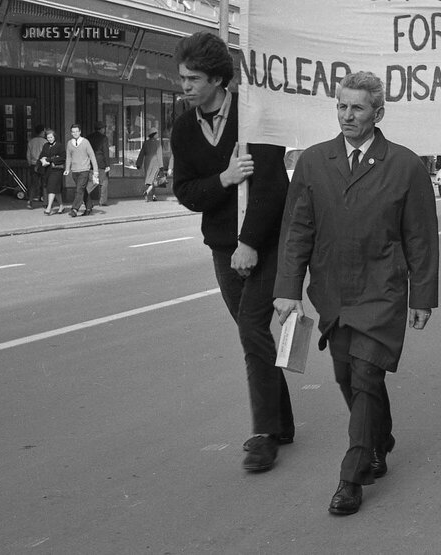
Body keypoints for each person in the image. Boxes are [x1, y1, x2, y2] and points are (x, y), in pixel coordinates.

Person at [274, 71, 439, 516]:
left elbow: (421, 238)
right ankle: (378, 440)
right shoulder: (313, 162)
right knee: (347, 376)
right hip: (332, 291)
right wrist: (288, 290)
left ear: (378, 113)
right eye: (342, 106)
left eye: (357, 108)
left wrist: (421, 297)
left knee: (367, 375)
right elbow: (297, 230)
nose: (348, 115)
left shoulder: (404, 166)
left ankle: (352, 476)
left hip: (382, 289)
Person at [170, 31, 294, 474]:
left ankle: (264, 434)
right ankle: (282, 421)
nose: (185, 85)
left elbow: (274, 188)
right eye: (182, 77)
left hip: (265, 240)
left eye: (194, 78)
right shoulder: (184, 129)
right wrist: (224, 179)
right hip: (223, 246)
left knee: (250, 327)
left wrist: (249, 242)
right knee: (254, 334)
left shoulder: (254, 118)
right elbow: (185, 191)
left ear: (219, 80)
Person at [64, 123, 99, 217]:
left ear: (80, 132)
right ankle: (89, 206)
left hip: (84, 170)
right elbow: (68, 157)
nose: (75, 133)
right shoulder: (69, 143)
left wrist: (95, 171)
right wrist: (67, 168)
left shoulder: (85, 142)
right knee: (82, 189)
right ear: (71, 133)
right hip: (74, 171)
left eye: (77, 131)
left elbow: (92, 156)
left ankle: (74, 209)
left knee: (79, 189)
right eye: (73, 132)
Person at [38, 128, 65, 215]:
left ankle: (49, 208)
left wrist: (49, 159)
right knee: (56, 189)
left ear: (55, 137)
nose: (50, 139)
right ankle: (61, 205)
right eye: (48, 137)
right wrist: (42, 160)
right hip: (47, 170)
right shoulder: (46, 145)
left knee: (52, 187)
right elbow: (42, 155)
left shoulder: (60, 146)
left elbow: (63, 157)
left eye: (51, 137)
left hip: (56, 170)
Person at [86, 122, 111, 205]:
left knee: (92, 180)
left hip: (90, 162)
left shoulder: (88, 137)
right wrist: (107, 164)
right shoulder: (104, 138)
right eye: (104, 128)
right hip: (100, 162)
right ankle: (102, 201)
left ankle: (82, 196)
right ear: (101, 129)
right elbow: (105, 151)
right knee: (103, 182)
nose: (104, 130)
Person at [25, 125, 47, 209]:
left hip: (33, 164)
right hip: (43, 164)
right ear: (42, 132)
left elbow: (28, 155)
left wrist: (30, 163)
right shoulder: (45, 142)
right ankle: (45, 203)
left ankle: (30, 202)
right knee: (44, 184)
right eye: (44, 131)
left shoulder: (31, 142)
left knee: (33, 184)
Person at [139, 131, 163, 202]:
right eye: (157, 134)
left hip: (147, 162)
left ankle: (154, 196)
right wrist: (161, 165)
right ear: (154, 135)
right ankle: (146, 192)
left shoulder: (146, 142)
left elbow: (141, 153)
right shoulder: (158, 143)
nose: (158, 135)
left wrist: (139, 163)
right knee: (154, 180)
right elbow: (159, 154)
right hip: (155, 162)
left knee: (150, 179)